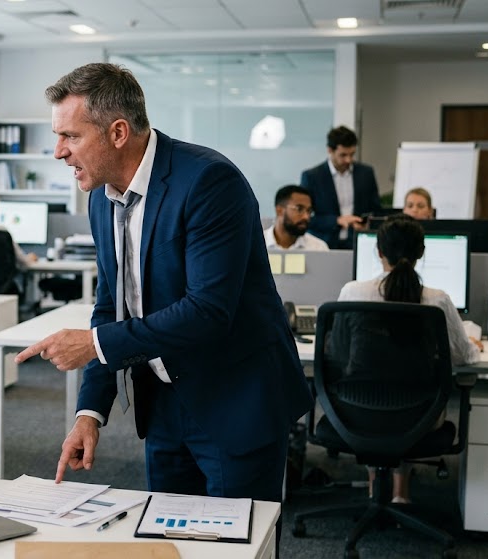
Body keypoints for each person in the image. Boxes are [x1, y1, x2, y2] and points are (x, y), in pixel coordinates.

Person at [15, 63, 313, 502]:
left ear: (118, 133)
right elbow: (110, 307)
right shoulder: (100, 196)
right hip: (163, 402)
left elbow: (208, 311)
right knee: (170, 542)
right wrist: (90, 412)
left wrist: (96, 346)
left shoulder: (209, 182)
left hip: (234, 398)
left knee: (237, 547)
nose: (58, 151)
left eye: (71, 136)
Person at [337, 214, 481, 503]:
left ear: (378, 252)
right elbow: (463, 357)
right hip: (419, 417)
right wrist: (473, 343)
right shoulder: (437, 299)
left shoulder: (352, 292)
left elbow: (338, 353)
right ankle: (400, 495)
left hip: (358, 413)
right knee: (405, 395)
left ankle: (373, 488)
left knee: (374, 392)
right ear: (421, 253)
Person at [300, 126, 382, 249]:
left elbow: (375, 210)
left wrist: (366, 223)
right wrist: (337, 220)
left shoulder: (366, 173)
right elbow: (305, 218)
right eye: (343, 155)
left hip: (357, 242)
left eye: (352, 154)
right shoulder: (312, 177)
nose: (348, 160)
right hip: (323, 244)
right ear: (330, 150)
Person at [264, 184, 329, 251]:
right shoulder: (256, 243)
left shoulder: (318, 248)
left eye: (309, 211)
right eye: (299, 209)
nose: (306, 217)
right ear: (279, 211)